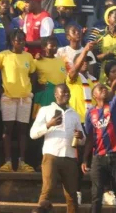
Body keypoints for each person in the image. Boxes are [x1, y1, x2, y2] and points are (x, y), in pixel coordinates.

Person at [82, 55, 116, 213]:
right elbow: (90, 137)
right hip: (98, 158)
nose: (103, 89)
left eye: (105, 87)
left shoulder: (113, 106)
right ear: (94, 95)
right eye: (100, 88)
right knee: (96, 195)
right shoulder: (90, 113)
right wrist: (85, 159)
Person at [30, 83, 84, 213]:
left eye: (68, 92)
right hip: (51, 155)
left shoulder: (74, 114)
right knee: (48, 189)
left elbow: (82, 141)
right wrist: (49, 124)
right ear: (55, 94)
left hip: (70, 157)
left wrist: (81, 136)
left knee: (72, 194)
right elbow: (32, 134)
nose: (67, 94)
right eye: (63, 92)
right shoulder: (45, 110)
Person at [0, 29, 37, 172]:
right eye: (18, 40)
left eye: (23, 40)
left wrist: (30, 89)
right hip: (8, 97)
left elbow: (33, 73)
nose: (21, 43)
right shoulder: (3, 55)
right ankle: (8, 162)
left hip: (25, 98)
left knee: (23, 129)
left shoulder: (28, 56)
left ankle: (22, 162)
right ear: (12, 41)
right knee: (8, 129)